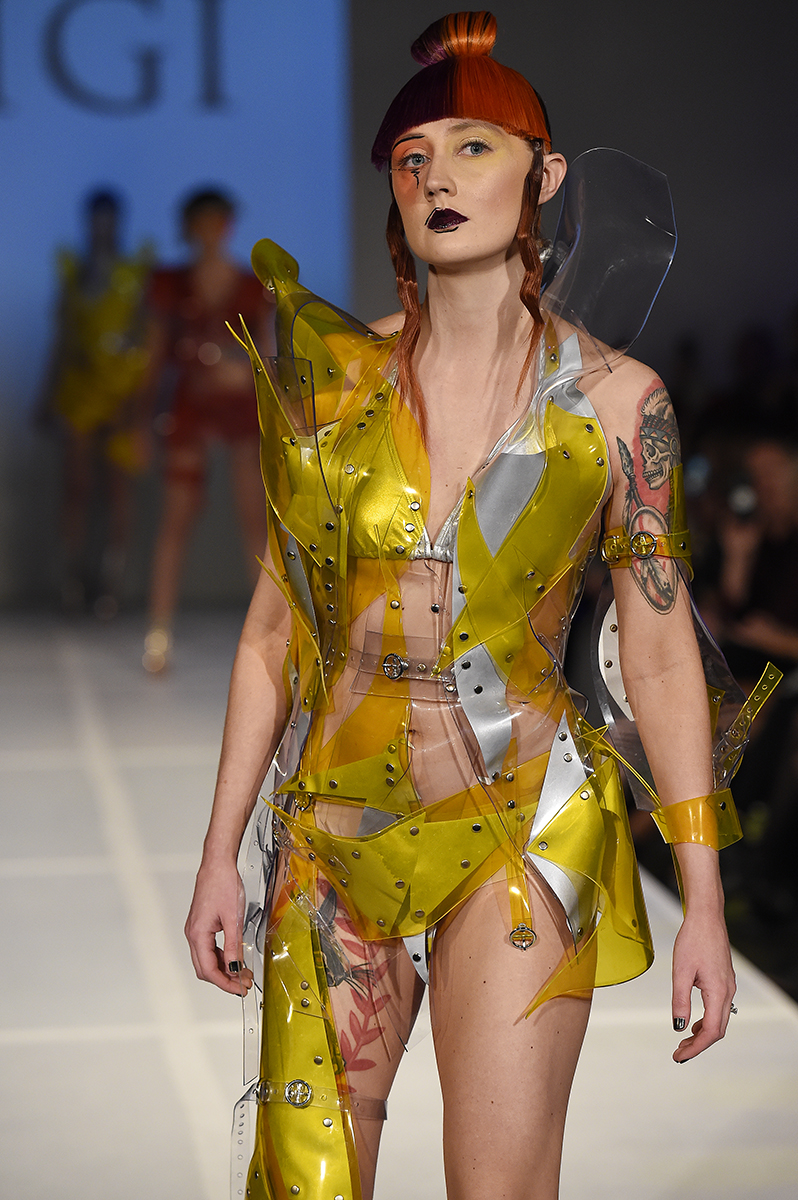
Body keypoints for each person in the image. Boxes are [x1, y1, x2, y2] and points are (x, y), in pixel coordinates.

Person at [185, 13, 776, 1199]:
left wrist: (703, 899)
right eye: (413, 158)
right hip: (332, 840)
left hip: (521, 828)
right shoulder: (334, 389)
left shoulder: (619, 405)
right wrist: (217, 857)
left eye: (472, 148)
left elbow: (659, 655)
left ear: (543, 178)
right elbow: (272, 632)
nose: (438, 178)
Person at [142, 189, 275, 672]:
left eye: (217, 221)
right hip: (190, 407)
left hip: (240, 409)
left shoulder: (251, 287)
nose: (210, 231)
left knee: (254, 520)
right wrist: (140, 419)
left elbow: (267, 358)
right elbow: (155, 355)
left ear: (228, 225)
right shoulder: (170, 283)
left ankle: (270, 635)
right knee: (176, 517)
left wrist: (248, 375)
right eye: (201, 222)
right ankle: (158, 633)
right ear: (189, 227)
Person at [38, 188, 152, 615]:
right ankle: (71, 581)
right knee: (77, 487)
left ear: (118, 222)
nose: (102, 228)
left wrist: (142, 401)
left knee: (118, 491)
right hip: (80, 391)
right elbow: (62, 339)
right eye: (96, 220)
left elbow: (146, 336)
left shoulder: (134, 272)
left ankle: (110, 585)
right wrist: (46, 395)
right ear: (87, 222)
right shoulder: (74, 273)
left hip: (121, 392)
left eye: (108, 219)